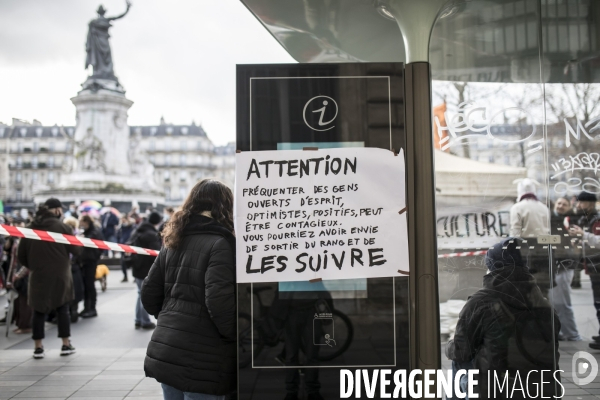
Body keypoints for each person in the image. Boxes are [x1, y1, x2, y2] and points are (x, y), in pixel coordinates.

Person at [142, 179, 236, 399]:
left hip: (167, 346)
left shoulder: (173, 239)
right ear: (225, 206)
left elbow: (148, 293)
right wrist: (234, 335)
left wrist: (171, 316)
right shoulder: (220, 242)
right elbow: (218, 301)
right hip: (204, 356)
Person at [446, 238, 561, 399]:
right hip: (542, 391)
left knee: (459, 360)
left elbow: (460, 352)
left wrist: (450, 345)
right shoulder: (544, 305)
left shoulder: (481, 302)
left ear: (492, 266)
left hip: (498, 391)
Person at [17, 198, 82, 359]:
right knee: (62, 308)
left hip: (38, 274)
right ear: (57, 210)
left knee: (38, 310)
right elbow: (76, 250)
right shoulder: (62, 227)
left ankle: (38, 347)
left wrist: (34, 266)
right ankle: (65, 344)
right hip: (60, 274)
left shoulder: (30, 228)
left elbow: (21, 255)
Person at [568, 191, 600, 350]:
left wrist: (583, 234)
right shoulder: (585, 219)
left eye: (581, 202)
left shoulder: (597, 219)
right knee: (597, 302)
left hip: (598, 266)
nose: (578, 205)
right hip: (593, 266)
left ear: (591, 203)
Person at [509, 178, 552, 297]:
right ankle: (544, 310)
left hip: (525, 249)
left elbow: (515, 232)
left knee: (525, 287)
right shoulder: (544, 207)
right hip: (544, 249)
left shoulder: (517, 207)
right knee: (542, 287)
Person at [549, 197, 582, 341]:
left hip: (564, 266)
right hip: (554, 266)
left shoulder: (570, 221)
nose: (561, 206)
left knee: (563, 302)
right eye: (559, 203)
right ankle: (561, 332)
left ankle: (572, 334)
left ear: (569, 207)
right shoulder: (551, 220)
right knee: (555, 302)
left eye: (564, 204)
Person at [128, 211, 161, 330]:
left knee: (139, 294)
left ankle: (138, 319)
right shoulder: (151, 234)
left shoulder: (137, 230)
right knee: (143, 294)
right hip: (146, 268)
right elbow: (157, 253)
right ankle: (145, 321)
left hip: (137, 267)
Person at [78, 215, 104, 318]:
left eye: (81, 222)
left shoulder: (94, 232)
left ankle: (92, 308)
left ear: (86, 222)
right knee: (86, 286)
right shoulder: (88, 231)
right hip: (86, 261)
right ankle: (87, 307)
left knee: (90, 286)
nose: (80, 224)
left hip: (90, 262)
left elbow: (97, 245)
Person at [64, 217, 85, 323]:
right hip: (74, 267)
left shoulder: (73, 237)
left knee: (72, 292)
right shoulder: (77, 237)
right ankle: (73, 312)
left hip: (71, 267)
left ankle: (72, 313)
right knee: (74, 292)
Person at [117, 216, 135, 282]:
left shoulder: (132, 227)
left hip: (130, 246)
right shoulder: (120, 228)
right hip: (122, 246)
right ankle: (125, 276)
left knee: (133, 262)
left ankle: (134, 277)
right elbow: (118, 237)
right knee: (123, 262)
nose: (123, 222)